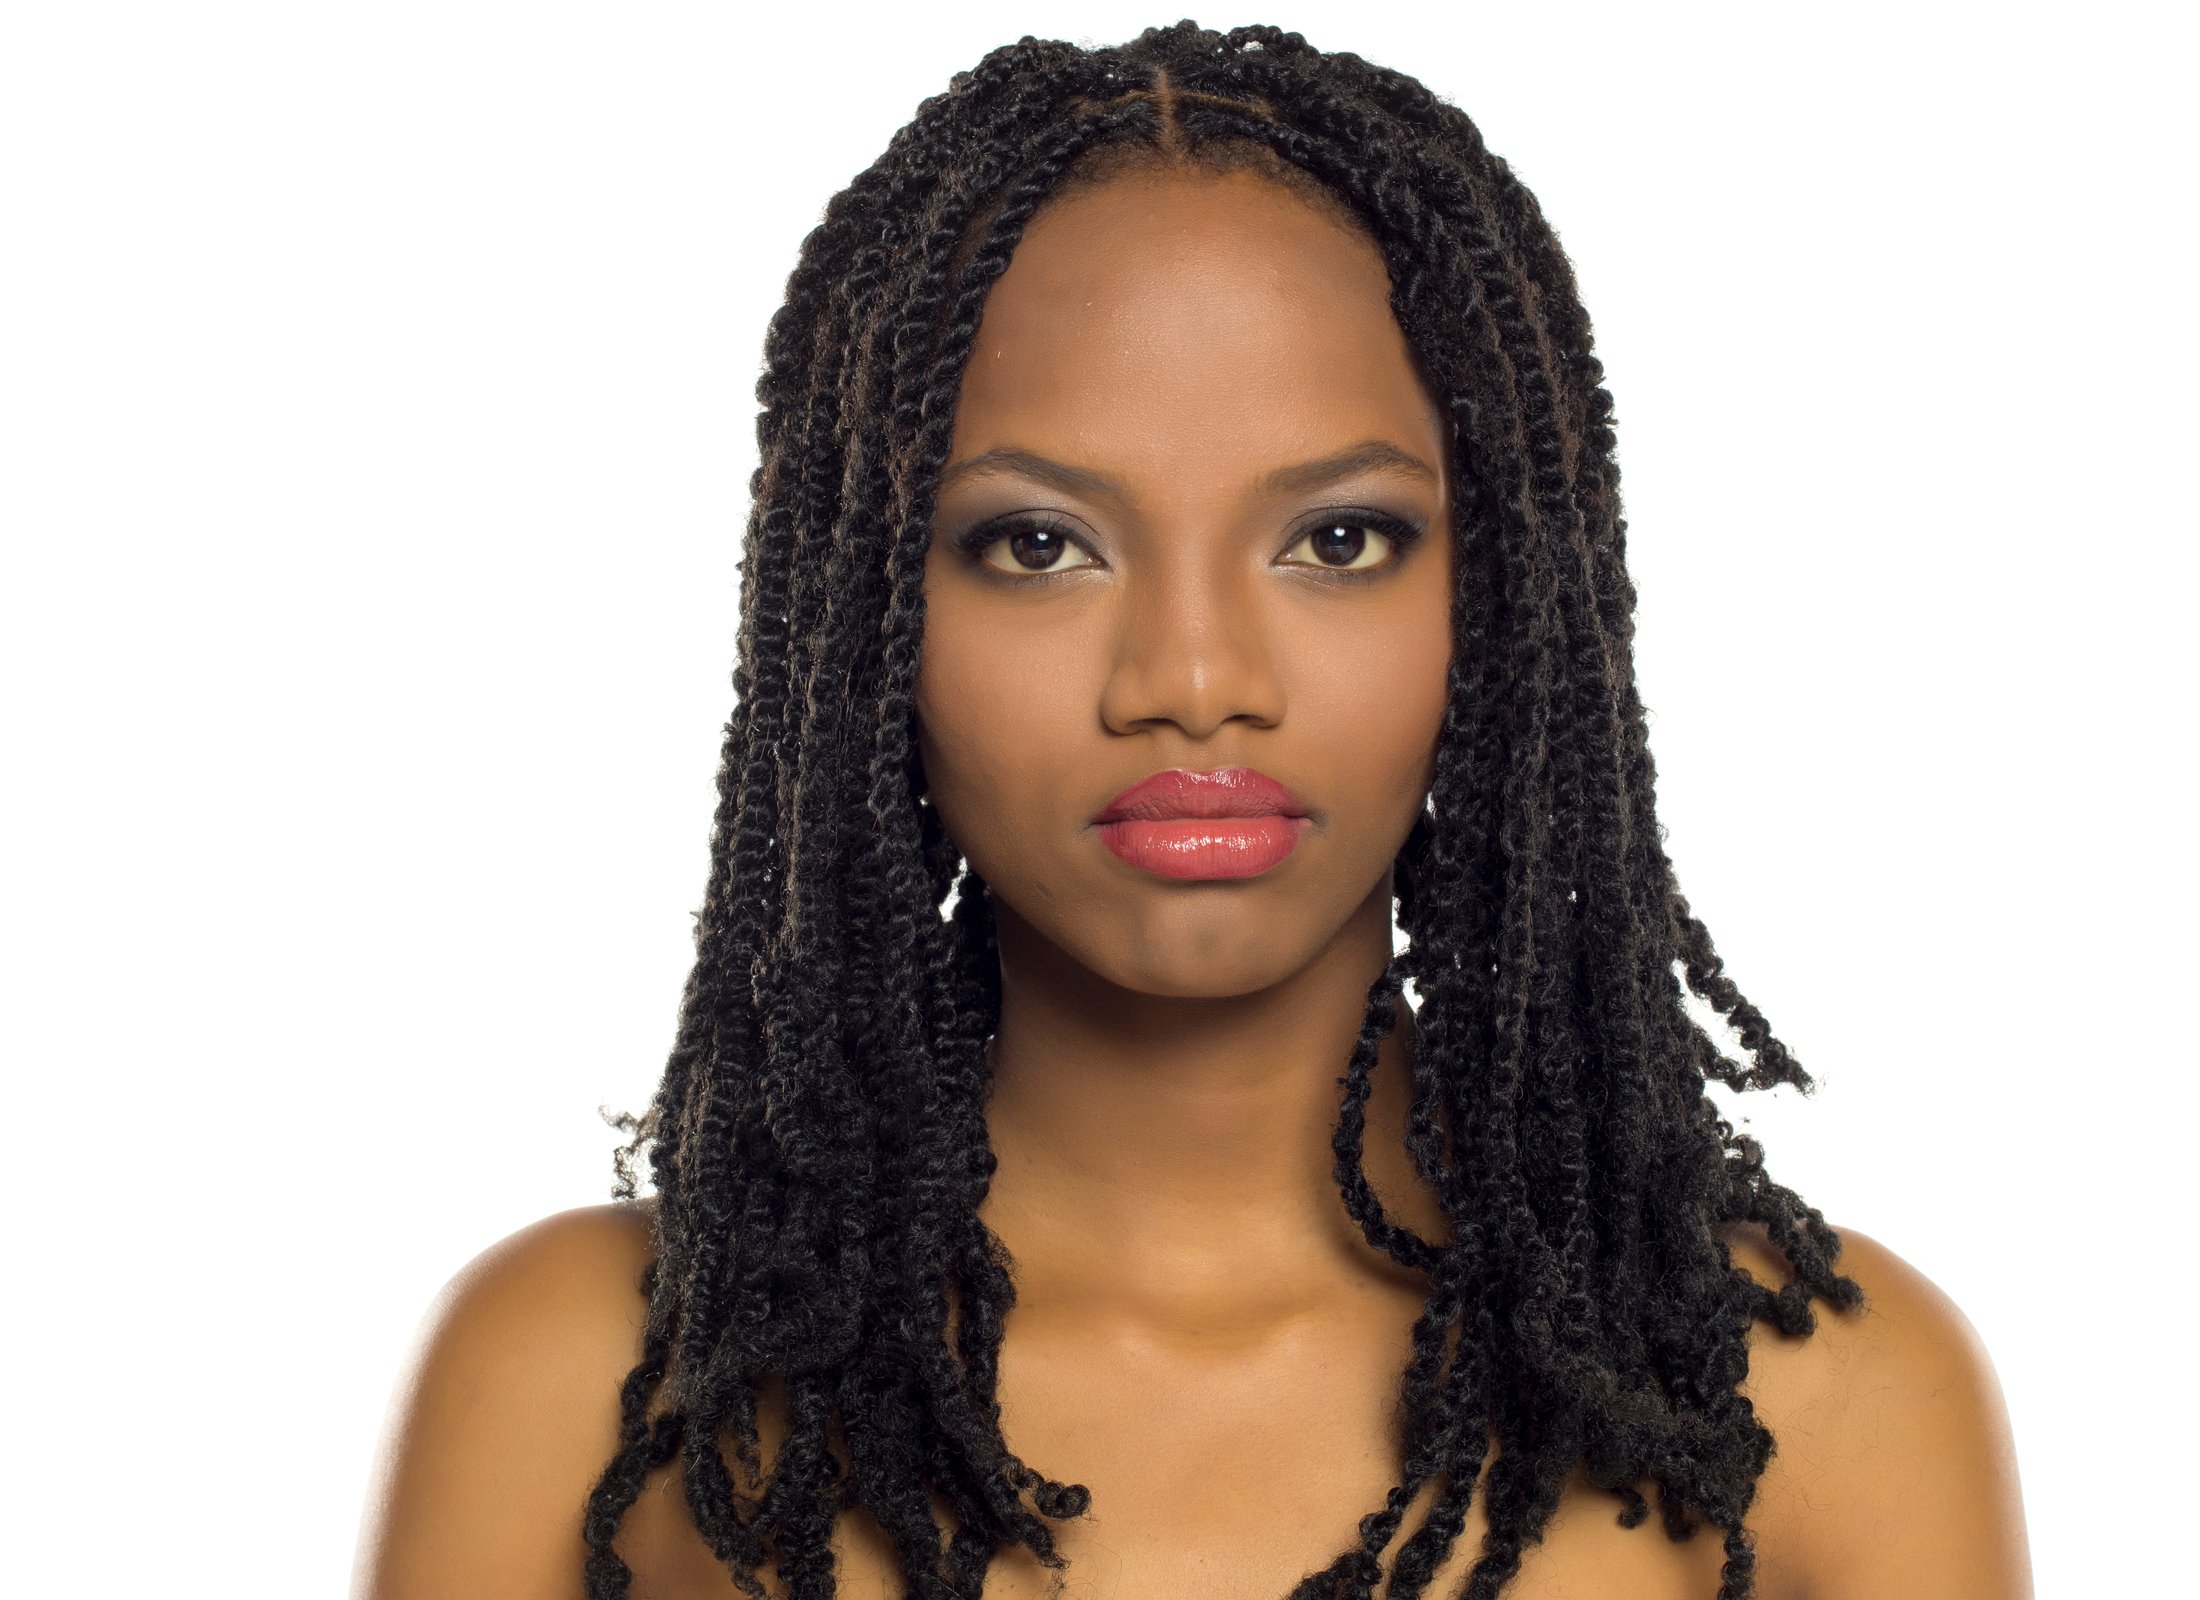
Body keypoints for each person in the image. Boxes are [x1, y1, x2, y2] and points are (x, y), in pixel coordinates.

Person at [351, 20, 2031, 1600]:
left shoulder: (1823, 1414)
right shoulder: (591, 1385)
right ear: (863, 616)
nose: (1194, 674)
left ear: (1510, 599)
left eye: (1341, 539)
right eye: (1035, 544)